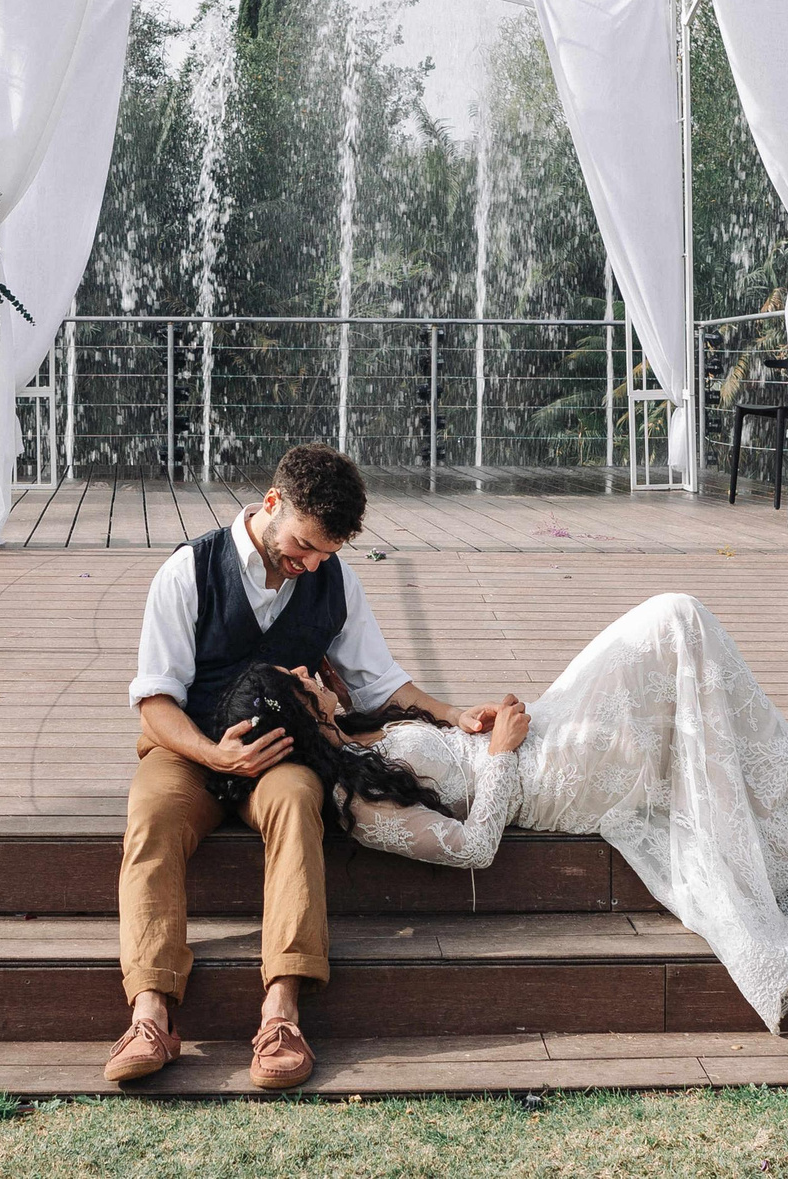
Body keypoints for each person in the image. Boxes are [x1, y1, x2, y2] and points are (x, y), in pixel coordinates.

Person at [212, 592, 788, 1034]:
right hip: (552, 776)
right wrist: (500, 752)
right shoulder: (354, 805)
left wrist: (472, 723)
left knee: (675, 620)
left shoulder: (358, 731)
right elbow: (474, 846)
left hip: (543, 732)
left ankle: (787, 768)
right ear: (294, 715)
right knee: (674, 621)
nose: (308, 674)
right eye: (298, 682)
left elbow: (443, 754)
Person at [105, 444, 511, 1089]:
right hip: (191, 748)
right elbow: (154, 702)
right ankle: (152, 1012)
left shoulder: (332, 578)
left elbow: (379, 683)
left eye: (326, 553)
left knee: (300, 805)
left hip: (284, 755)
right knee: (151, 814)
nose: (312, 563)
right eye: (303, 546)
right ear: (272, 505)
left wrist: (454, 714)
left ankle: (282, 1013)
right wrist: (215, 754)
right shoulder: (187, 571)